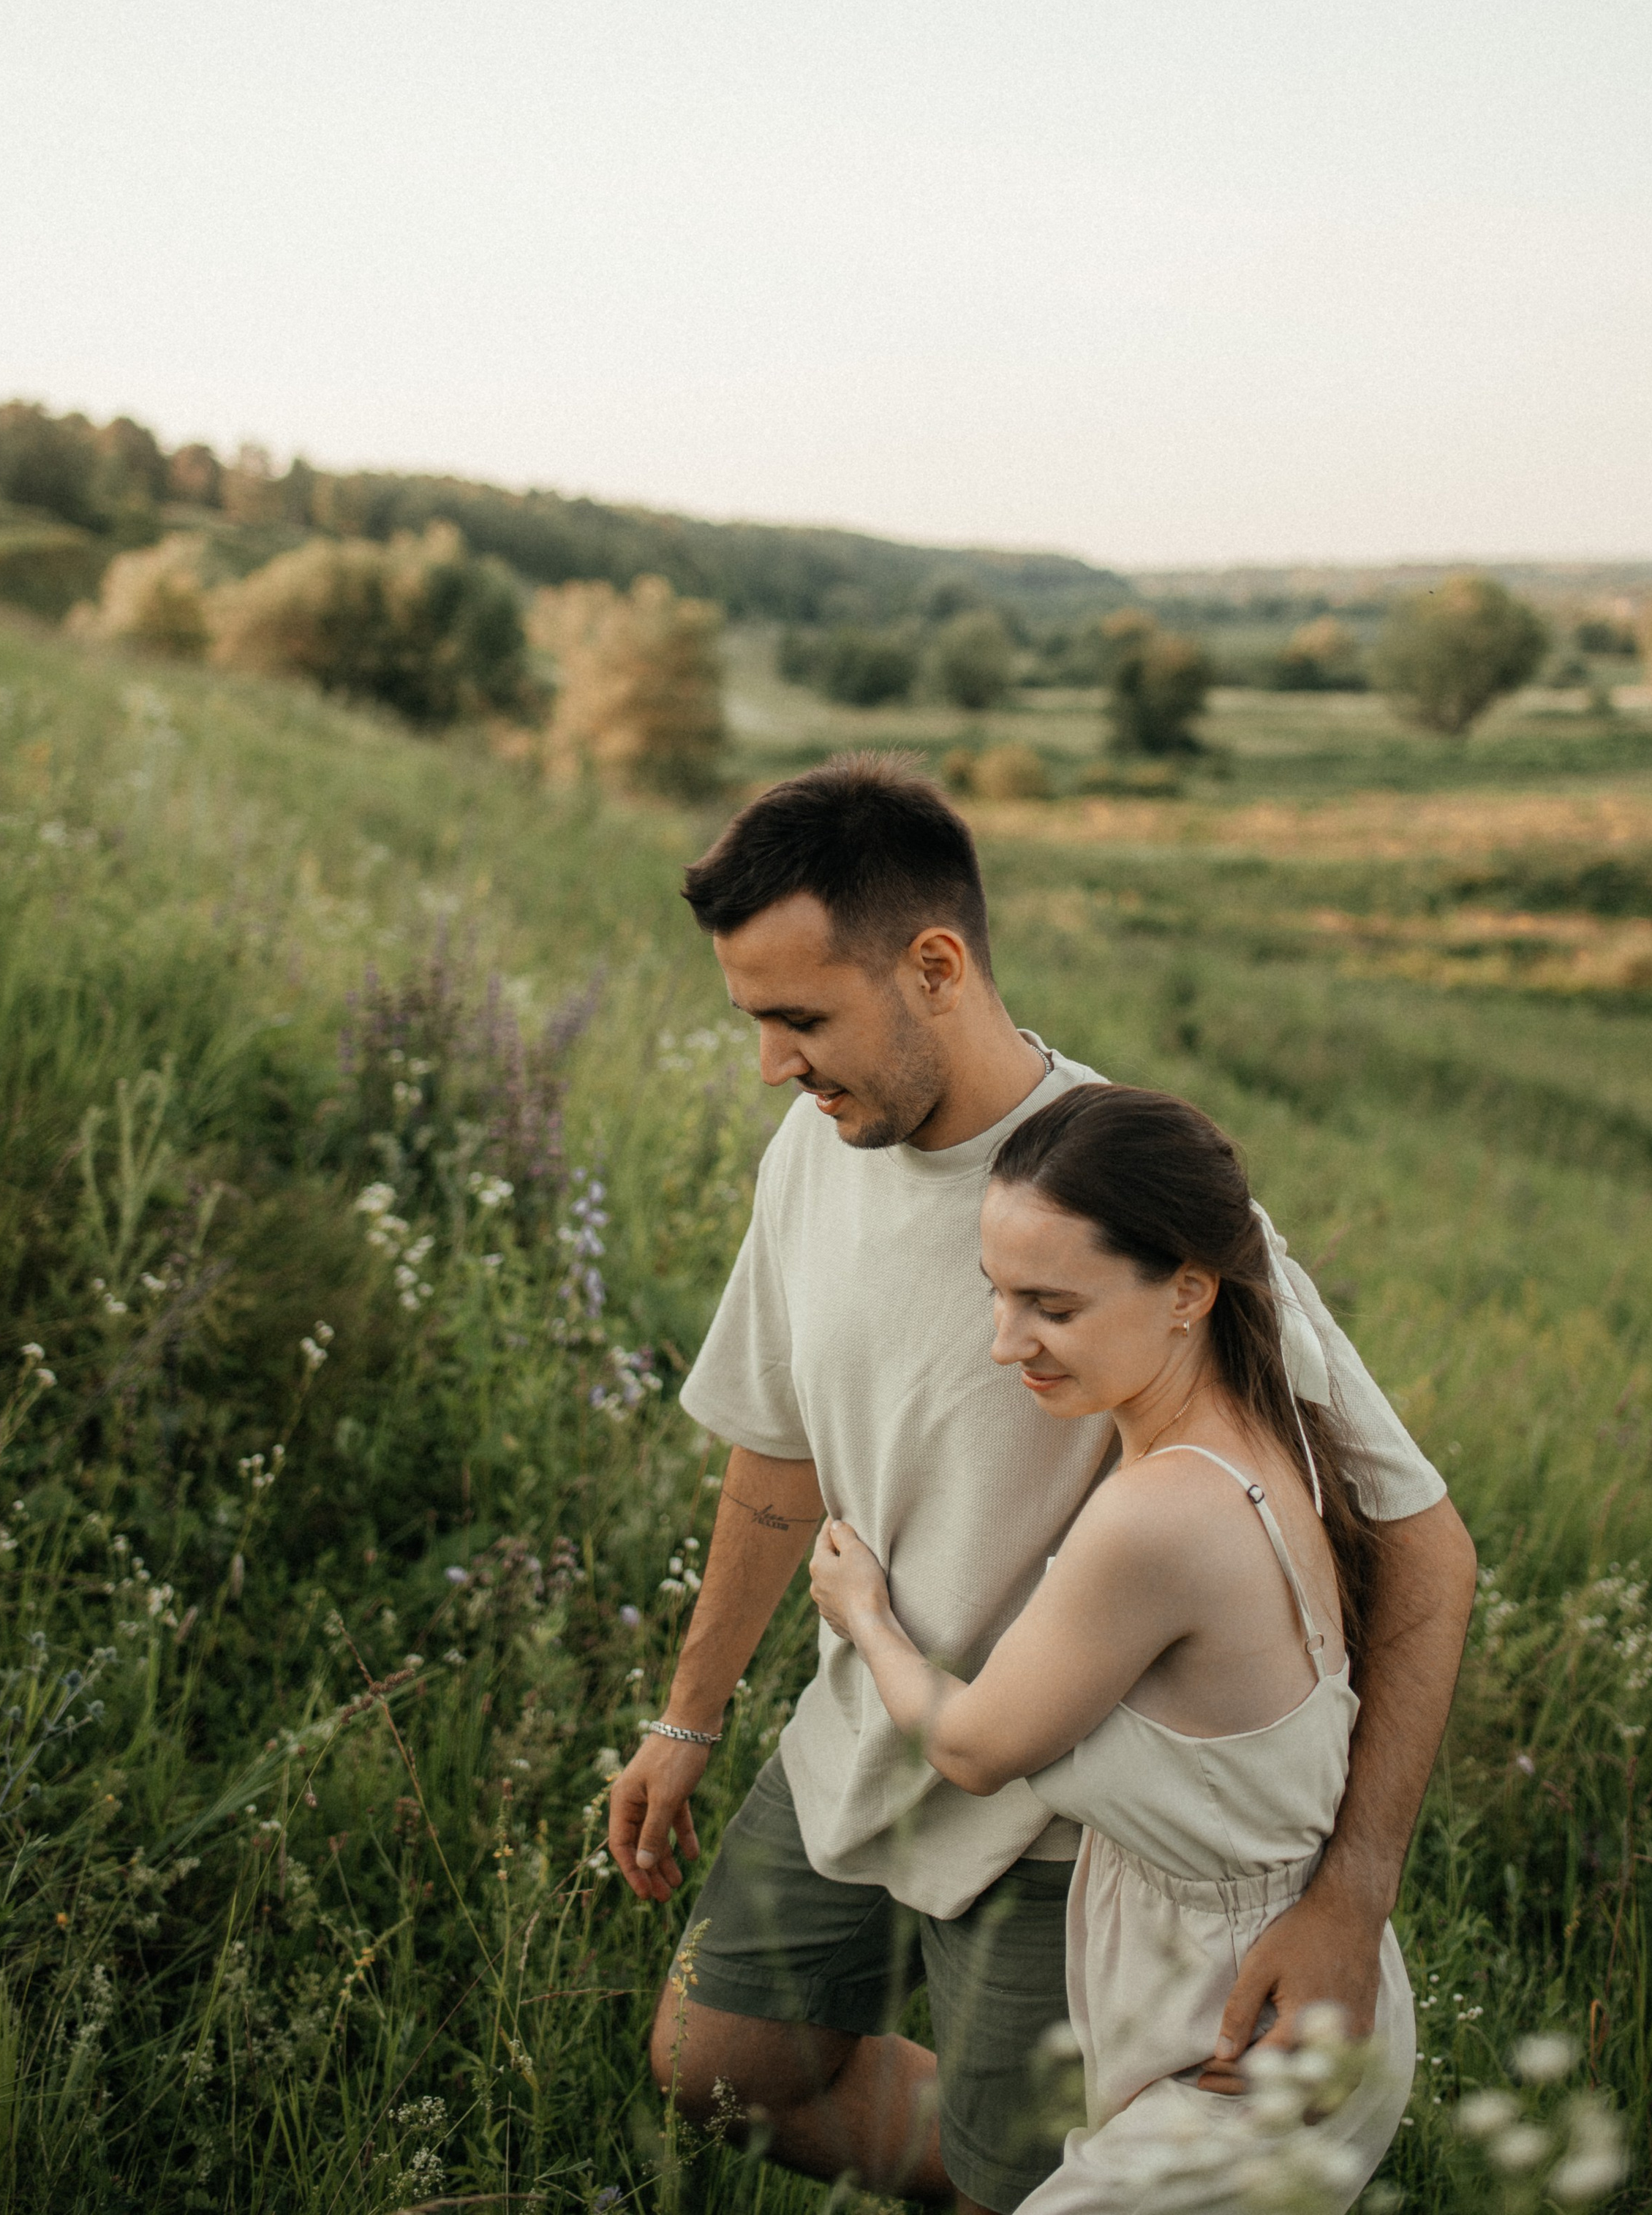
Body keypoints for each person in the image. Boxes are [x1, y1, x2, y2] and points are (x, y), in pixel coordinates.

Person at [608, 754, 1475, 2214]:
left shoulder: (1127, 1202)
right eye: (753, 1019)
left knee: (1035, 2181)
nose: (771, 1062)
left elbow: (1423, 1545)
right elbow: (775, 1449)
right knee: (713, 2063)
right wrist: (687, 1713)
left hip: (1062, 1833)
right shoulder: (808, 1158)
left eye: (798, 1018)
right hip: (859, 1730)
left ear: (932, 966)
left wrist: (1349, 1895)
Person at [808, 1080, 1417, 2214]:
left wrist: (868, 1618)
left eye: (1052, 1306)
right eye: (995, 1294)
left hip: (1241, 2041)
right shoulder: (1268, 1420)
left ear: (1189, 1287)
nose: (1005, 1344)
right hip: (1261, 1987)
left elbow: (977, 1749)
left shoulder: (1159, 1518)